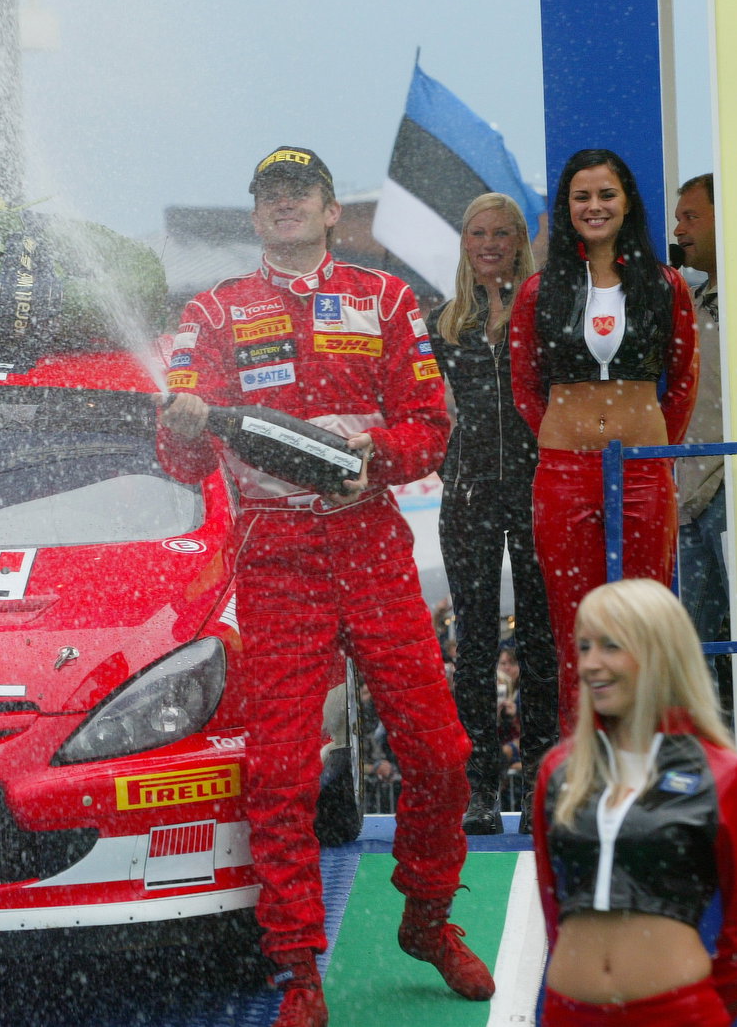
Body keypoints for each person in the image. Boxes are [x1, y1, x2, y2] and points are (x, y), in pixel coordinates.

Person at [160, 146, 493, 1026]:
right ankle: (298, 965)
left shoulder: (384, 299)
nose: (286, 206)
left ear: (332, 209)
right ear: (255, 212)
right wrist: (188, 424)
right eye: (271, 194)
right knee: (278, 771)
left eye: (301, 192)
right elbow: (181, 454)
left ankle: (427, 917)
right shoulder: (214, 311)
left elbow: (429, 426)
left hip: (372, 545)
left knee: (441, 753)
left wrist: (373, 454)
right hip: (275, 559)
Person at [510, 148, 697, 734]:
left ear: (627, 204)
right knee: (577, 624)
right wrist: (565, 436)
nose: (595, 207)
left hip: (642, 470)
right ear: (566, 208)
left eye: (606, 195)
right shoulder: (538, 292)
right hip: (564, 473)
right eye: (581, 196)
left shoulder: (666, 285)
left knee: (645, 619)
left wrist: (645, 444)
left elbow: (683, 381)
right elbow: (525, 387)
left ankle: (652, 759)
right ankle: (585, 765)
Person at [533, 578, 737, 1025]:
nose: (591, 664)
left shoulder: (724, 774)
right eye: (585, 646)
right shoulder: (559, 771)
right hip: (568, 1012)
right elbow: (553, 904)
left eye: (611, 646)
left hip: (677, 1012)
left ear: (660, 653)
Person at [427, 193, 557, 835]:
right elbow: (422, 413)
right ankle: (477, 792)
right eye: (477, 232)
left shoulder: (544, 310)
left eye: (501, 233)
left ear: (518, 241)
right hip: (470, 496)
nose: (488, 244)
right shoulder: (442, 322)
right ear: (463, 241)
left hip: (537, 490)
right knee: (474, 646)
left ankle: (541, 786)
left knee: (541, 642)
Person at [672, 174, 730, 715]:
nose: (678, 229)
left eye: (691, 217)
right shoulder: (686, 299)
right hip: (689, 492)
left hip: (735, 485)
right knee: (693, 647)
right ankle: (714, 769)